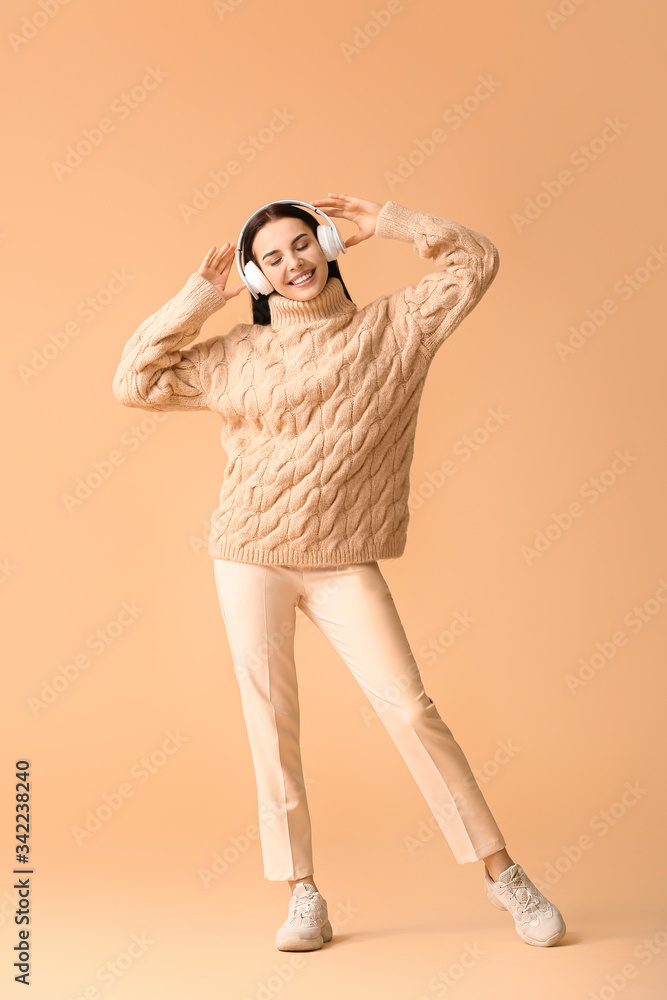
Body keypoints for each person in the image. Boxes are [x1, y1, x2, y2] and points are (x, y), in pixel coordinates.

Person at [112, 192, 566, 952]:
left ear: (326, 244)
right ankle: (303, 897)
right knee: (271, 726)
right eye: (271, 257)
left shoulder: (397, 327)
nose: (291, 263)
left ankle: (504, 876)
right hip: (249, 552)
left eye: (301, 244)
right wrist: (196, 300)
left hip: (341, 558)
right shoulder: (234, 355)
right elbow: (134, 381)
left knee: (409, 710)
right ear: (255, 277)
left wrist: (388, 220)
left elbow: (474, 260)